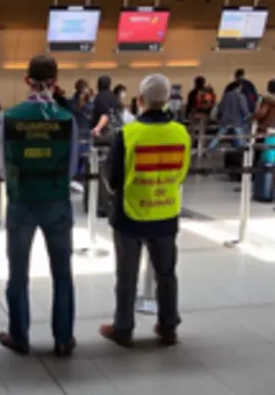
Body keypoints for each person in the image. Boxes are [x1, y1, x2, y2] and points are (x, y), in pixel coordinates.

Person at [99, 73, 190, 347]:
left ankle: (123, 327)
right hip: (165, 212)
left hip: (130, 214)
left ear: (140, 101)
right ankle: (168, 325)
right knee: (166, 273)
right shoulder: (180, 132)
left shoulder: (129, 133)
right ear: (166, 101)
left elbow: (111, 176)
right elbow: (182, 173)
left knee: (126, 276)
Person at [0, 55, 78, 357]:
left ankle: (20, 336)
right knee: (62, 273)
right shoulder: (67, 120)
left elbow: (4, 169)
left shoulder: (9, 117)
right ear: (56, 82)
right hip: (57, 202)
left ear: (26, 79)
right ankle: (63, 338)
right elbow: (71, 170)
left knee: (18, 273)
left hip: (21, 203)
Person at [207, 81, 249, 150]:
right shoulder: (241, 96)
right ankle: (242, 150)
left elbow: (221, 108)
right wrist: (247, 115)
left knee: (218, 136)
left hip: (225, 119)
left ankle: (209, 148)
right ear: (237, 88)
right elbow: (244, 109)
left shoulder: (226, 96)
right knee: (241, 138)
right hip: (237, 120)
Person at [91, 75, 119, 141]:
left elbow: (105, 114)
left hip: (103, 132)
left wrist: (97, 128)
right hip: (114, 129)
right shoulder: (113, 96)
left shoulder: (101, 97)